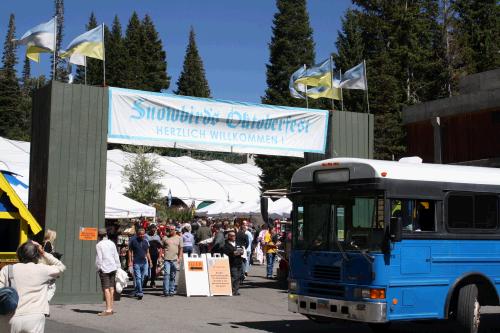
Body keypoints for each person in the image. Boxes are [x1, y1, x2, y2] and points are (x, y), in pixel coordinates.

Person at [0, 240, 65, 333]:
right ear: (36, 255)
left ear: (19, 254)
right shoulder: (43, 270)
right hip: (34, 317)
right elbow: (61, 266)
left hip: (10, 317)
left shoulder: (7, 269)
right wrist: (43, 252)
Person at [95, 228, 120, 316]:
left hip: (104, 268)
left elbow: (99, 259)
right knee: (111, 288)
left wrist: (98, 268)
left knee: (106, 289)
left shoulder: (99, 245)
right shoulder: (112, 243)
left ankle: (108, 309)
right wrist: (118, 266)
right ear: (106, 235)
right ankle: (111, 308)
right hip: (113, 267)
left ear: (99, 236)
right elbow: (116, 255)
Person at [128, 227, 152, 300]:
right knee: (138, 277)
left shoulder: (146, 241)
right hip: (136, 262)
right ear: (137, 234)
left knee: (143, 277)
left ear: (144, 234)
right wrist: (130, 261)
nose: (141, 235)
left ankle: (137, 290)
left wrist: (150, 261)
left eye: (143, 234)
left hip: (144, 262)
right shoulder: (133, 241)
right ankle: (140, 292)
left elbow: (147, 252)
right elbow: (130, 251)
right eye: (140, 234)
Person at [161, 225, 183, 296]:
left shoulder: (179, 238)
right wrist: (160, 256)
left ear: (174, 230)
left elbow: (181, 248)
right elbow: (161, 247)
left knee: (173, 276)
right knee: (167, 274)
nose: (170, 231)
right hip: (167, 259)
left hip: (175, 259)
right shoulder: (165, 238)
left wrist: (180, 257)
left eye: (171, 229)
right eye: (169, 229)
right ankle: (166, 291)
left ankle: (171, 290)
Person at [223, 231, 244, 296]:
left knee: (239, 277)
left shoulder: (237, 243)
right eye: (232, 236)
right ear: (229, 236)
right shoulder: (226, 244)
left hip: (239, 262)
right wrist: (235, 252)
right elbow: (229, 253)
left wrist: (237, 252)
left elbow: (241, 251)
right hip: (232, 262)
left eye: (234, 235)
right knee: (234, 277)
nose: (234, 237)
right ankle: (232, 290)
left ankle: (236, 290)